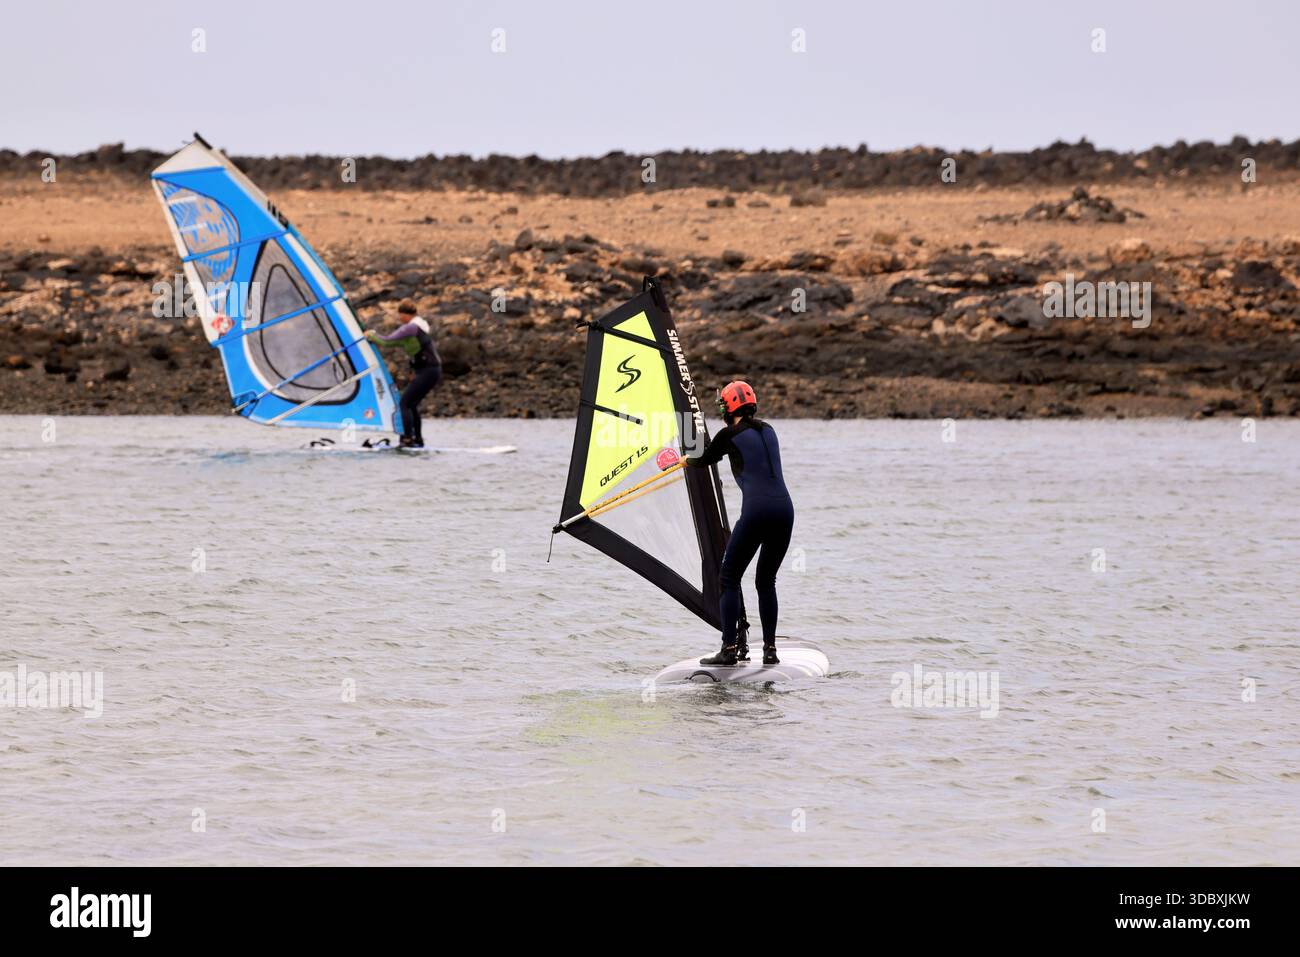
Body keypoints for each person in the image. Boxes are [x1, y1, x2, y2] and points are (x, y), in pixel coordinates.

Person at [685, 380, 794, 667]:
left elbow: (701, 458)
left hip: (757, 512)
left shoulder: (727, 435)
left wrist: (683, 452)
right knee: (765, 581)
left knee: (728, 578)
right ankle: (770, 650)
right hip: (785, 511)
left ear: (728, 408)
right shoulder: (769, 431)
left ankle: (728, 649)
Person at [365, 301, 442, 448]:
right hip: (429, 370)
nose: (399, 318)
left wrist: (371, 334)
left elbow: (387, 339)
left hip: (429, 370)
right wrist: (413, 371)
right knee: (411, 404)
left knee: (404, 403)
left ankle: (407, 439)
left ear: (406, 315)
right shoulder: (419, 328)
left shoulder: (411, 327)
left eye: (400, 315)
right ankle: (417, 439)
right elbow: (393, 345)